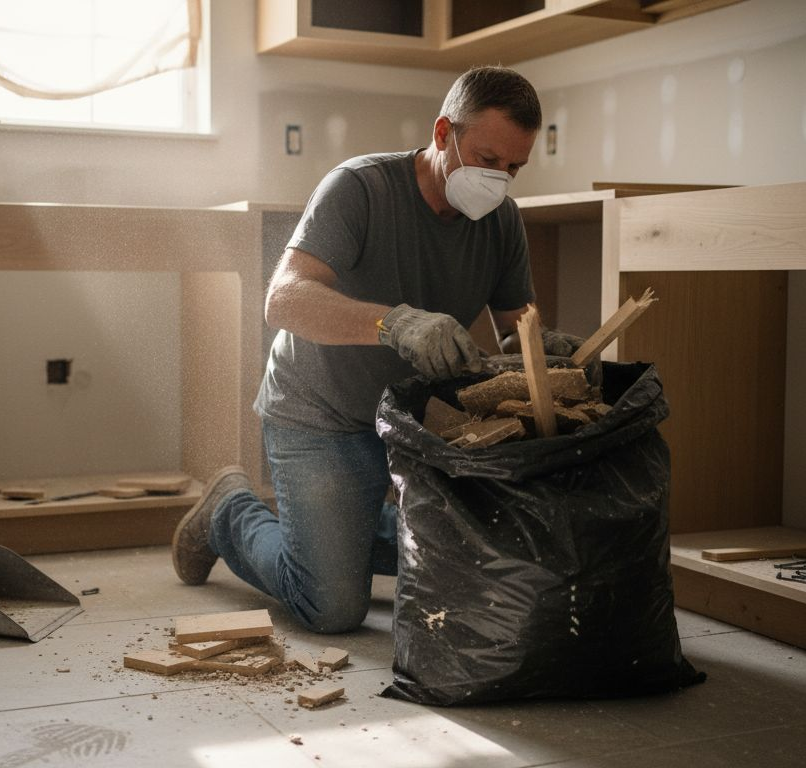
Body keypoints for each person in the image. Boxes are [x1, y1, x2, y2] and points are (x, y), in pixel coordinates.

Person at [172, 66, 572, 633]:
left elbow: (514, 332)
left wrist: (543, 346)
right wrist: (394, 324)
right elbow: (282, 301)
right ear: (442, 134)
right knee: (332, 607)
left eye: (514, 167)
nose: (499, 178)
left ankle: (342, 533)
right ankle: (229, 510)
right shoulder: (360, 187)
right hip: (321, 413)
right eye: (487, 159)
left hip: (410, 423)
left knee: (469, 563)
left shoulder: (502, 221)